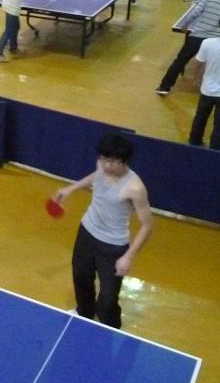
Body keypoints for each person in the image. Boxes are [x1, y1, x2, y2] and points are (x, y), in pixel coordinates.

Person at [51, 133, 152, 329]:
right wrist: (71, 189)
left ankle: (111, 329)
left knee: (107, 301)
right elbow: (96, 177)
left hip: (113, 247)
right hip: (87, 233)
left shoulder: (135, 188)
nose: (106, 165)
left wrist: (128, 256)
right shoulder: (102, 166)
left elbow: (147, 225)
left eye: (112, 161)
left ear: (124, 161)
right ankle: (84, 313)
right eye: (103, 159)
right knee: (81, 279)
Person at [156, 0, 220, 95]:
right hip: (216, 41)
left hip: (198, 36)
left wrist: (185, 25)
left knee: (180, 61)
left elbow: (194, 13)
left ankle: (164, 87)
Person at [188, 35, 220, 149]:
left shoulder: (207, 43)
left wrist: (196, 80)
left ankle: (194, 142)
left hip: (207, 90)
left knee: (200, 117)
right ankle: (215, 149)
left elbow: (198, 64)